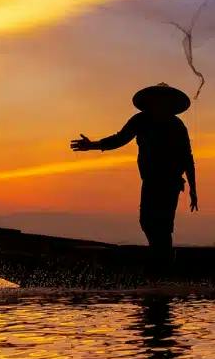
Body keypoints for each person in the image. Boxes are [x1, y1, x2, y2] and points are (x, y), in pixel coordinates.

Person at [71, 83, 198, 260]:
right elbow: (119, 139)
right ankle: (163, 259)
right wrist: (92, 145)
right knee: (147, 222)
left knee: (162, 225)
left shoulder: (177, 126)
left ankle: (164, 262)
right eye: (157, 100)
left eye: (164, 101)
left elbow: (187, 157)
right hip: (150, 181)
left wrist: (193, 188)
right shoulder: (141, 120)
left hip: (170, 182)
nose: (160, 104)